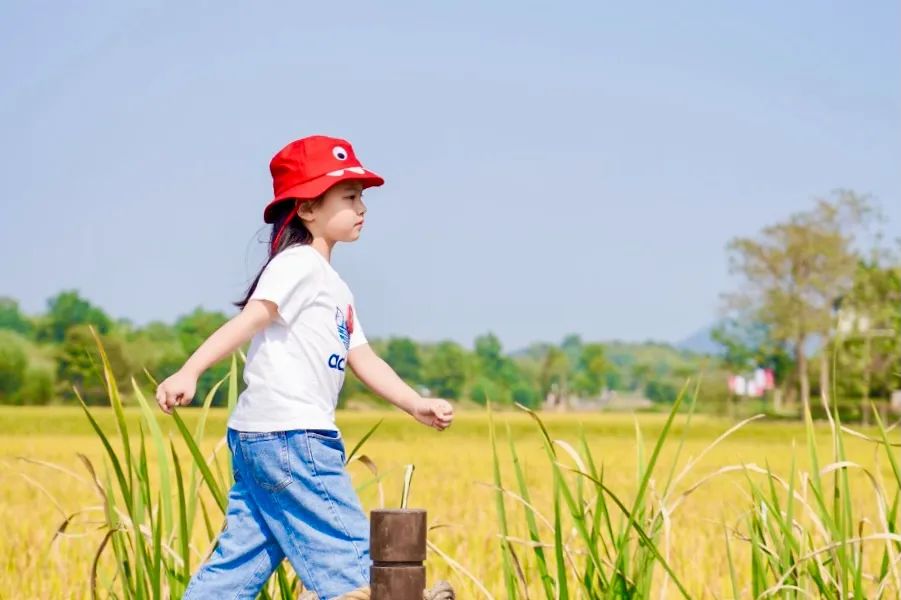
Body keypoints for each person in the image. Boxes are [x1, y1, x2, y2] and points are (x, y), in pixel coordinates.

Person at [155, 135, 455, 599]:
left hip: (262, 437)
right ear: (307, 209)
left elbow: (364, 359)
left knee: (239, 563)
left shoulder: (334, 287)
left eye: (362, 197)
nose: (362, 207)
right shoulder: (297, 265)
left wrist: (414, 403)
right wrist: (190, 370)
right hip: (293, 435)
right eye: (349, 196)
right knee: (351, 553)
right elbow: (252, 318)